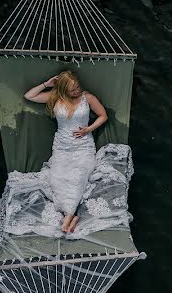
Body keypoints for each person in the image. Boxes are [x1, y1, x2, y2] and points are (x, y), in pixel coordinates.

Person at [23, 70, 108, 233]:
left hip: (83, 146)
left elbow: (103, 115)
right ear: (63, 89)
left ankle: (68, 217)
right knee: (58, 179)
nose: (76, 91)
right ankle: (71, 216)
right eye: (72, 90)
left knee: (78, 176)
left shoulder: (87, 98)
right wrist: (46, 85)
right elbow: (29, 96)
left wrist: (88, 129)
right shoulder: (55, 97)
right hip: (62, 147)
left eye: (77, 87)